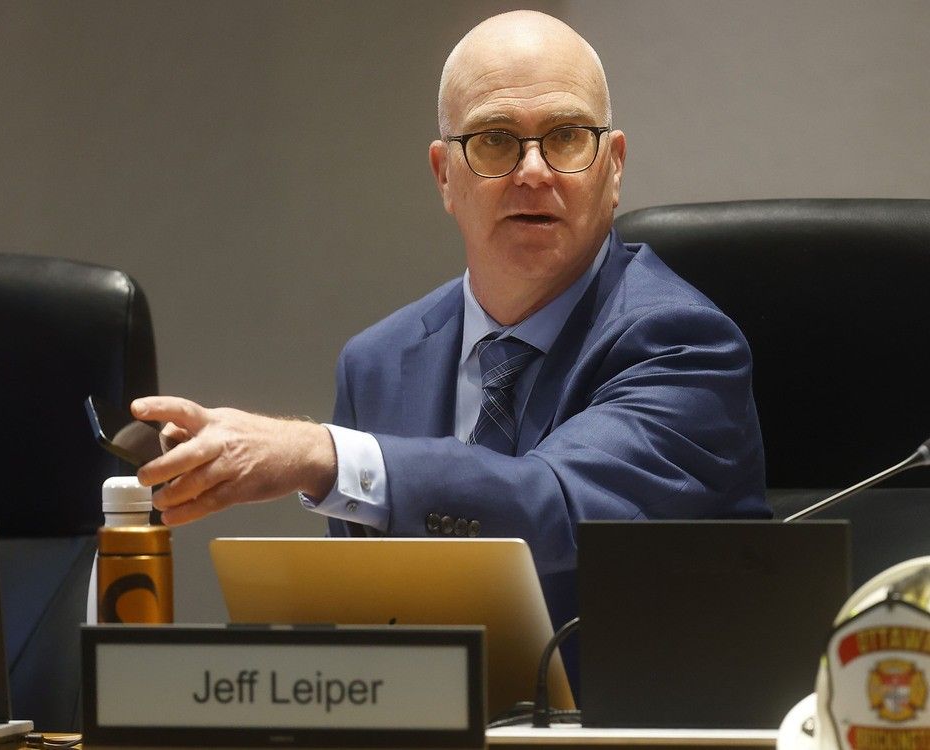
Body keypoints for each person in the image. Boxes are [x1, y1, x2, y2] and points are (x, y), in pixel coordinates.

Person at [132, 10, 769, 690]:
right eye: (496, 140)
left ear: (612, 168)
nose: (533, 171)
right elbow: (363, 628)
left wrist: (319, 453)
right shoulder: (377, 364)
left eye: (565, 137)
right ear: (444, 175)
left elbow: (550, 507)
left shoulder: (683, 343)